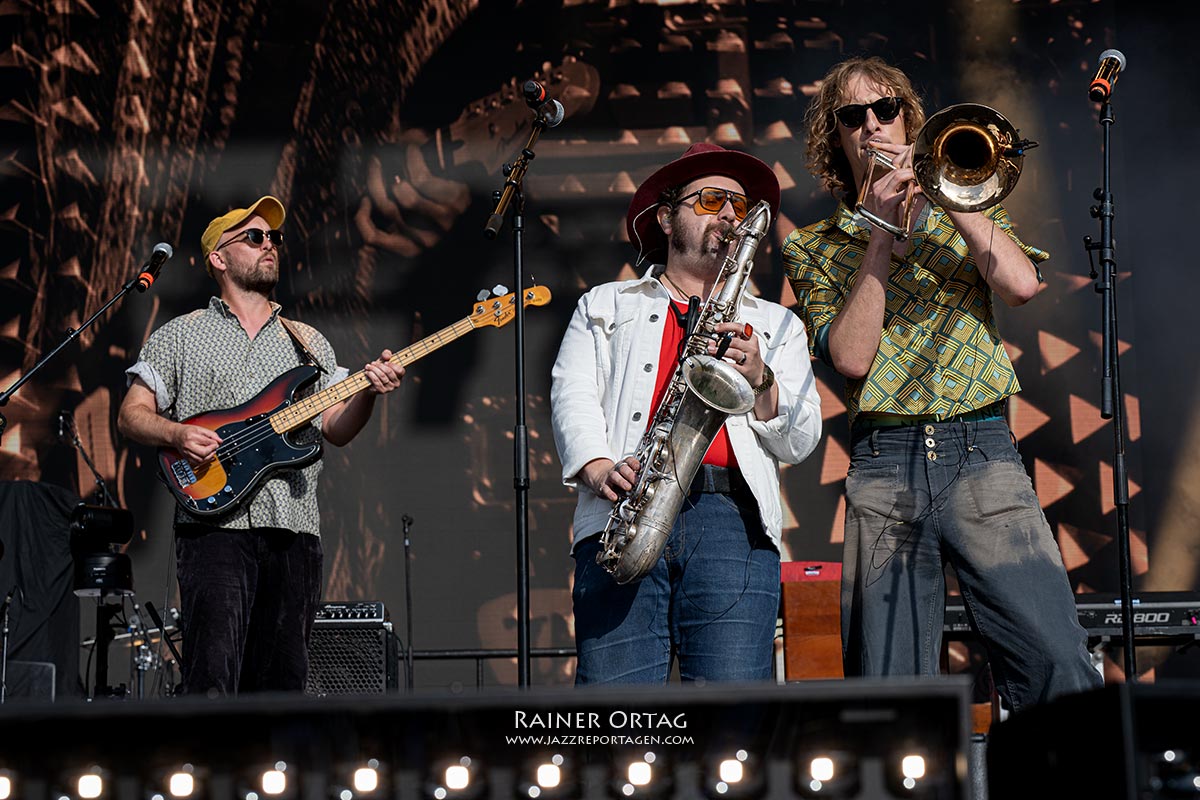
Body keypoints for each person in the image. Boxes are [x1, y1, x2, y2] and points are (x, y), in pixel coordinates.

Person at [782, 56, 1102, 710]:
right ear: (835, 137)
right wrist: (876, 232)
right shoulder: (812, 246)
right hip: (883, 466)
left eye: (886, 109)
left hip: (982, 452)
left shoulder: (974, 200)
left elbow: (1019, 285)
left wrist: (949, 195)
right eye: (853, 116)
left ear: (909, 115)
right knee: (890, 685)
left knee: (1055, 662)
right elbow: (850, 358)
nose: (873, 125)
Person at [551, 143, 822, 684]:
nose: (728, 215)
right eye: (712, 201)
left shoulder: (776, 325)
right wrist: (599, 466)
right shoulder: (605, 304)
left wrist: (761, 379)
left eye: (739, 208)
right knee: (616, 717)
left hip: (733, 522)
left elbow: (802, 440)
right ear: (666, 219)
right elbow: (572, 394)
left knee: (732, 718)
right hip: (623, 508)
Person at [117, 196, 403, 696]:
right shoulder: (180, 335)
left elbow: (335, 426)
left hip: (294, 531)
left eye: (274, 237)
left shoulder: (309, 342)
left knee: (282, 685)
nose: (269, 245)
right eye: (254, 237)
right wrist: (178, 433)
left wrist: (368, 395)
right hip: (213, 528)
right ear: (219, 258)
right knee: (212, 679)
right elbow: (131, 415)